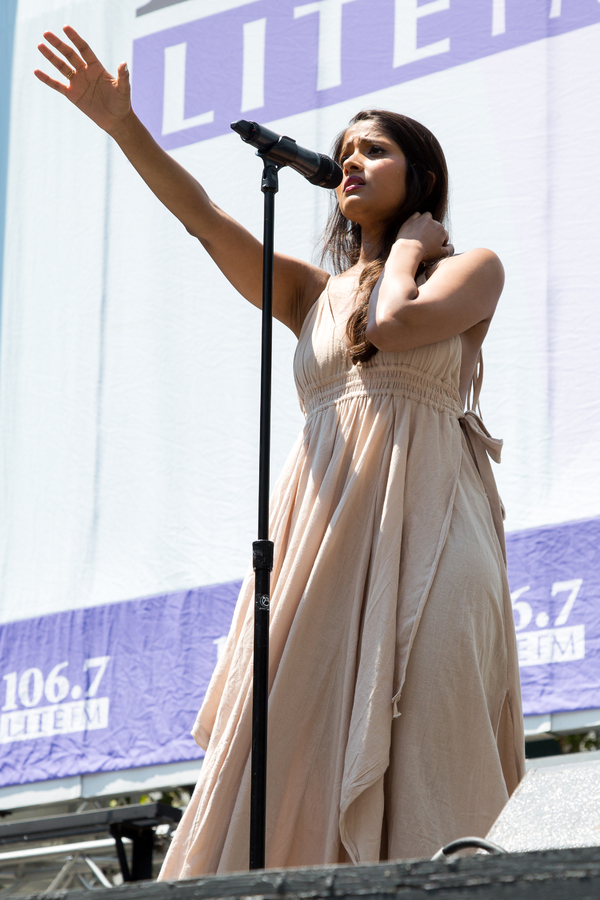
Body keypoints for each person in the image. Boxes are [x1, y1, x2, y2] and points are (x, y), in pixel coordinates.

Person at [36, 26, 525, 878]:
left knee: (434, 711)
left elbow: (396, 325)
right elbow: (203, 221)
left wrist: (409, 246)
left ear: (422, 175)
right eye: (343, 153)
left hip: (436, 522)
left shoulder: (470, 267)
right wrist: (125, 129)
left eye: (373, 151)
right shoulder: (311, 293)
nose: (350, 164)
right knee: (293, 732)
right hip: (327, 527)